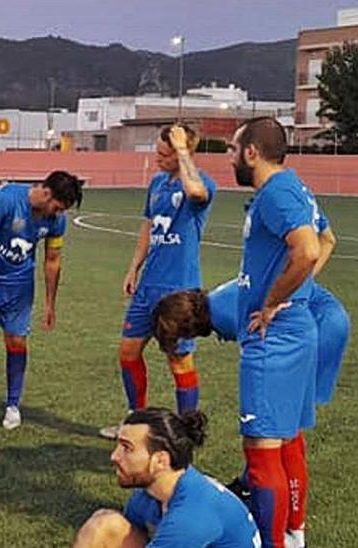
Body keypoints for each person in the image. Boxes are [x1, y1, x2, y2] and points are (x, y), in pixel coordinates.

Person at [153, 210, 345, 548]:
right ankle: (292, 528)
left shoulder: (226, 313)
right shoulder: (219, 298)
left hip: (316, 328)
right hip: (326, 322)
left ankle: (280, 533)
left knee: (273, 442)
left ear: (188, 326)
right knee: (286, 436)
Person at [227, 117, 322, 548]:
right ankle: (294, 534)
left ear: (251, 152)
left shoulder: (275, 192)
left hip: (276, 337)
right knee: (286, 438)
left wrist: (271, 302)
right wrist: (297, 292)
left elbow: (308, 249)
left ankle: (274, 543)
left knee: (262, 444)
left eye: (233, 149)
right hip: (296, 330)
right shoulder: (294, 186)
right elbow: (328, 238)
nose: (230, 157)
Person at [101, 125, 218, 440]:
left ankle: (185, 432)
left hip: (179, 292)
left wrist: (182, 152)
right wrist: (133, 268)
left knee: (179, 361)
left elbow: (196, 193)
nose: (157, 160)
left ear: (183, 153)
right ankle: (135, 423)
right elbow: (147, 226)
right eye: (158, 153)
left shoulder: (201, 184)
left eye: (164, 155)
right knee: (128, 352)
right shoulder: (156, 183)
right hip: (148, 286)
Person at [0, 173, 83, 430]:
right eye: (58, 207)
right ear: (47, 194)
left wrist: (50, 303)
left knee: (16, 341)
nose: (58, 214)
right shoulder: (6, 199)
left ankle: (12, 405)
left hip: (19, 288)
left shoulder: (57, 221)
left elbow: (52, 260)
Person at [73, 408, 260, 548]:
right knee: (106, 524)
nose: (114, 456)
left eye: (126, 448)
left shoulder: (190, 517)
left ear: (160, 461)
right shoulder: (148, 494)